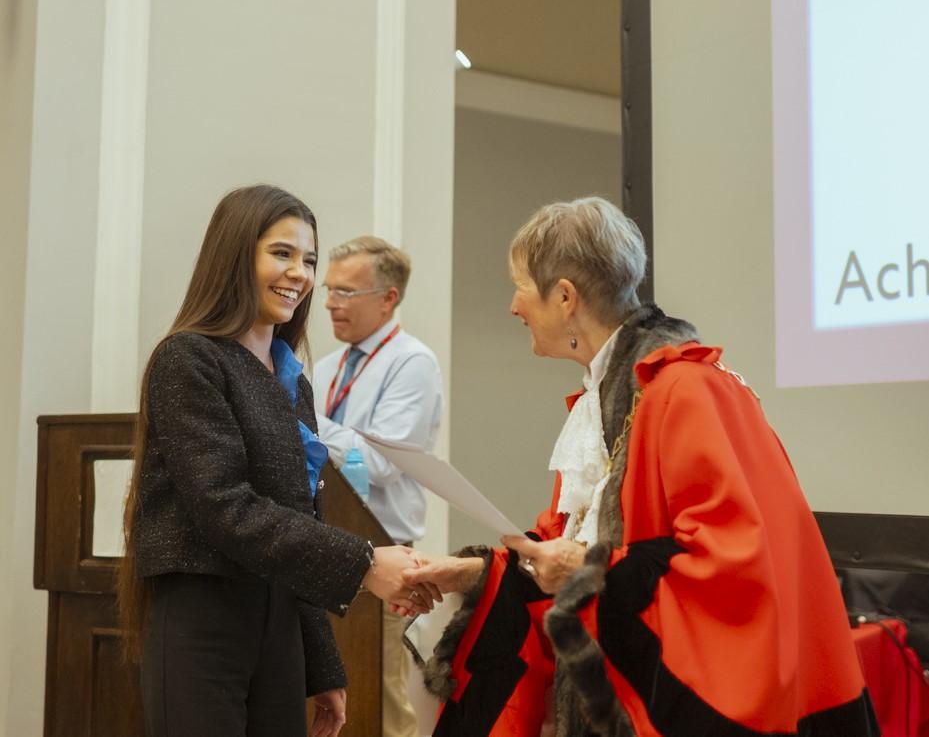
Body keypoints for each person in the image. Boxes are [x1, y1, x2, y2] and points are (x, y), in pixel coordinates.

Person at [404, 197, 878, 736]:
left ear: (564, 298)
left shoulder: (686, 389)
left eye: (519, 286)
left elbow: (731, 560)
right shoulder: (605, 400)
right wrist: (471, 573)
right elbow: (565, 545)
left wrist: (587, 571)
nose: (513, 306)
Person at [116, 185, 438, 737]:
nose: (300, 274)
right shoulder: (188, 358)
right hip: (203, 622)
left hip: (279, 631)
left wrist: (322, 666)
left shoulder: (292, 381)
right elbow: (226, 508)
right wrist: (364, 562)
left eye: (309, 259)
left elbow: (299, 522)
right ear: (235, 254)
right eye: (282, 253)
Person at [312, 236, 443, 737]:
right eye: (329, 289)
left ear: (388, 297)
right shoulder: (326, 368)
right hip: (326, 551)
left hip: (384, 558)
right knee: (330, 708)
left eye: (345, 292)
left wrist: (304, 425)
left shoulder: (412, 363)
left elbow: (381, 461)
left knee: (382, 706)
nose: (328, 302)